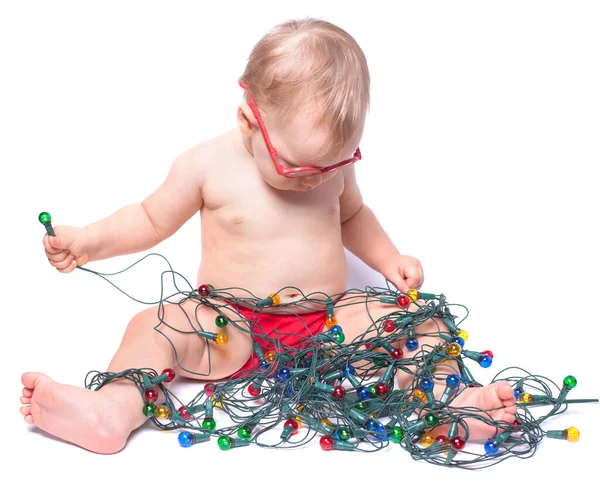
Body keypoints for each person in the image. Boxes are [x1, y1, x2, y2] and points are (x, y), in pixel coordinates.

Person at [20, 18, 515, 454]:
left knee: (416, 320)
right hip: (230, 323)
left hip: (328, 328)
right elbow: (149, 219)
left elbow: (353, 216)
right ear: (248, 122)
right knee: (157, 326)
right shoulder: (206, 166)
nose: (317, 180)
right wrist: (88, 240)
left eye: (335, 164)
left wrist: (388, 259)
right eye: (299, 167)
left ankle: (456, 403)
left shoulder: (327, 171)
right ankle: (111, 410)